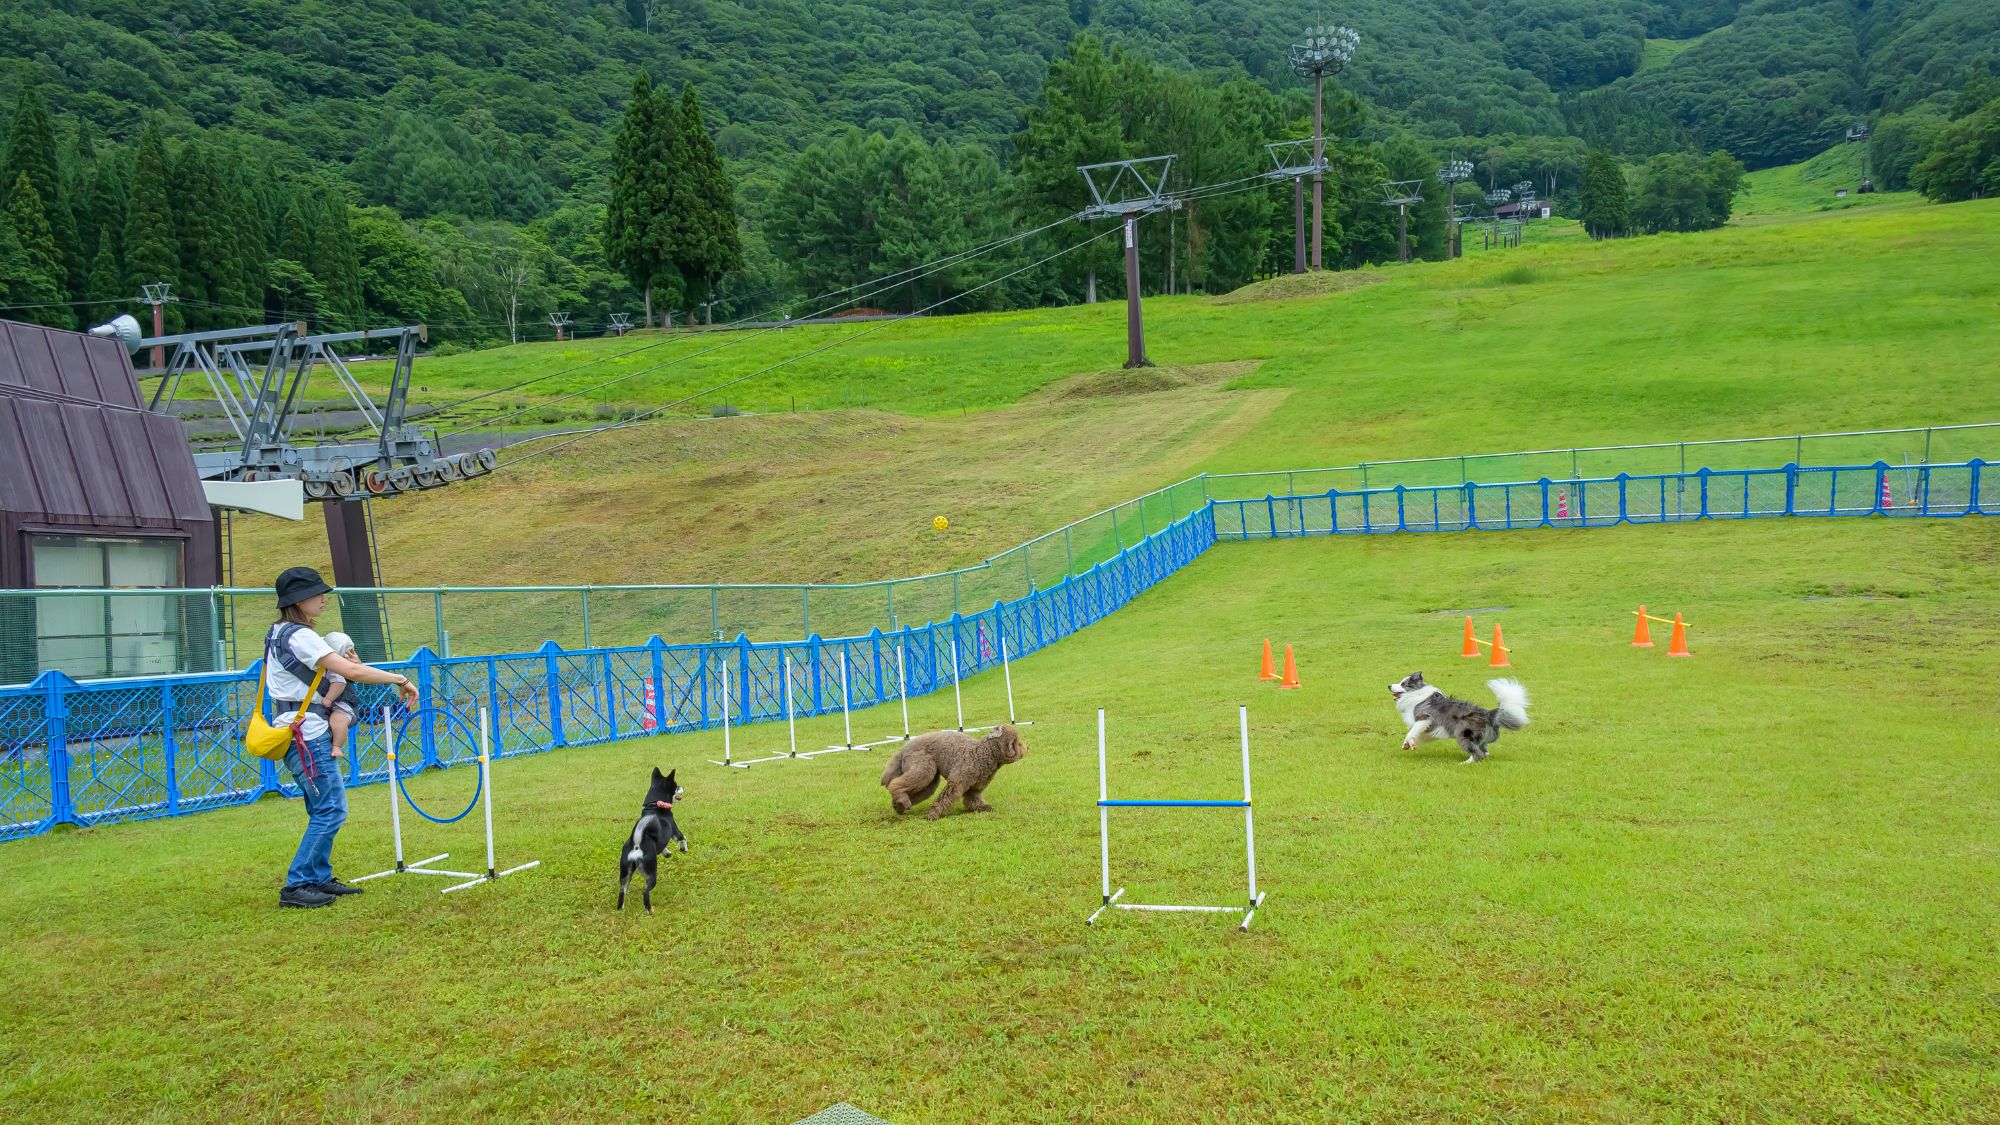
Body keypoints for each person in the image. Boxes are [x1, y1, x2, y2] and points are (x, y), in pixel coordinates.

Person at [265, 567, 419, 909]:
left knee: (322, 808)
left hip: (298, 730)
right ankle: (298, 884)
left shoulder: (278, 632)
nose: (323, 598)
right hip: (308, 735)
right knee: (331, 809)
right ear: (298, 600)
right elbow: (351, 672)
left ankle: (318, 877)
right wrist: (399, 678)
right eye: (317, 594)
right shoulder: (300, 636)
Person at [320, 631, 359, 761]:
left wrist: (328, 699)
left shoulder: (336, 668)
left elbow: (339, 683)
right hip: (328, 704)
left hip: (342, 703)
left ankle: (337, 746)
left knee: (338, 721)